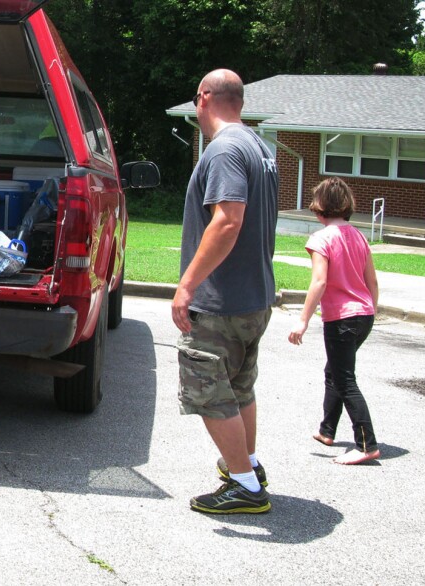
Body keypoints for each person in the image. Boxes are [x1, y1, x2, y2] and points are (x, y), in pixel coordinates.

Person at [172, 69, 278, 514]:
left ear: (203, 98)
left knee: (209, 390)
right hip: (253, 297)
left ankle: (245, 487)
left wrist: (187, 285)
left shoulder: (224, 150)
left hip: (221, 302)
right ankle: (247, 464)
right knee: (238, 388)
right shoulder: (258, 146)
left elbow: (228, 220)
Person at [288, 177, 380, 465]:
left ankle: (366, 444)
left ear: (319, 209)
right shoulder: (359, 236)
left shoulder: (321, 239)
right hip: (364, 315)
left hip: (341, 319)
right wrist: (370, 311)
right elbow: (372, 281)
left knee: (344, 379)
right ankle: (327, 430)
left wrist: (302, 320)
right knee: (335, 371)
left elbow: (319, 282)